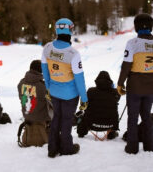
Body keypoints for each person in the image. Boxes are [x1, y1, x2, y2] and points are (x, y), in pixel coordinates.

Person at [41, 18, 88, 157]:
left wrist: (48, 88)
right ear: (70, 30)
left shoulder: (47, 48)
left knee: (56, 118)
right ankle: (66, 147)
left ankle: (52, 148)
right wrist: (84, 99)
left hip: (54, 91)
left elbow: (45, 71)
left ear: (57, 30)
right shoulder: (73, 54)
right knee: (67, 120)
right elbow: (79, 79)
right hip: (70, 95)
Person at [117, 13, 153, 154]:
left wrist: (120, 84)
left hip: (135, 87)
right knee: (146, 117)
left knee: (132, 118)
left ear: (137, 27)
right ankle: (149, 146)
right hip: (150, 88)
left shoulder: (132, 43)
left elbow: (126, 66)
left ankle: (132, 147)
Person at [17, 60, 53, 146]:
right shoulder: (42, 86)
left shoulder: (21, 83)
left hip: (27, 116)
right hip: (41, 118)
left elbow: (21, 98)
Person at [77, 71, 120, 139]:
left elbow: (84, 104)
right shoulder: (115, 92)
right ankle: (111, 133)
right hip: (110, 124)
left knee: (82, 115)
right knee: (112, 112)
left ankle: (81, 133)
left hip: (92, 123)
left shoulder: (90, 91)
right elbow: (116, 100)